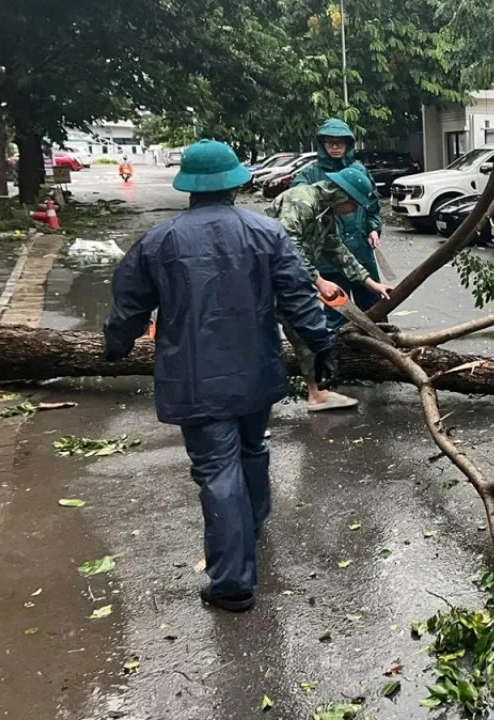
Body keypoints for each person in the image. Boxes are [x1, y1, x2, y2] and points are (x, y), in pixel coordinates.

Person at [104, 139, 338, 612]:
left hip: (193, 376)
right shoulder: (266, 233)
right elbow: (298, 297)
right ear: (235, 184)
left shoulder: (160, 241)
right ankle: (250, 523)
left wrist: (116, 345)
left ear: (189, 188)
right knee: (251, 447)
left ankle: (231, 581)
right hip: (255, 371)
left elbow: (129, 304)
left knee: (216, 468)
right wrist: (322, 344)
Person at [270, 165, 392, 411]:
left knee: (306, 334)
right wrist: (319, 281)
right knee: (261, 339)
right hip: (265, 281)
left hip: (290, 281)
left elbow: (336, 250)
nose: (354, 210)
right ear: (341, 195)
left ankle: (317, 394)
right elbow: (288, 246)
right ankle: (251, 409)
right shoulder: (301, 200)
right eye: (353, 203)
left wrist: (370, 283)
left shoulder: (324, 215)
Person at [290, 119, 385, 323]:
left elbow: (372, 203)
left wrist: (373, 227)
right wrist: (316, 279)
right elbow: (292, 247)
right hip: (322, 260)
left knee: (374, 308)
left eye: (339, 143)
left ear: (348, 145)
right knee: (337, 312)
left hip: (358, 248)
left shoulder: (359, 171)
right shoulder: (306, 184)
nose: (335, 147)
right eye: (330, 142)